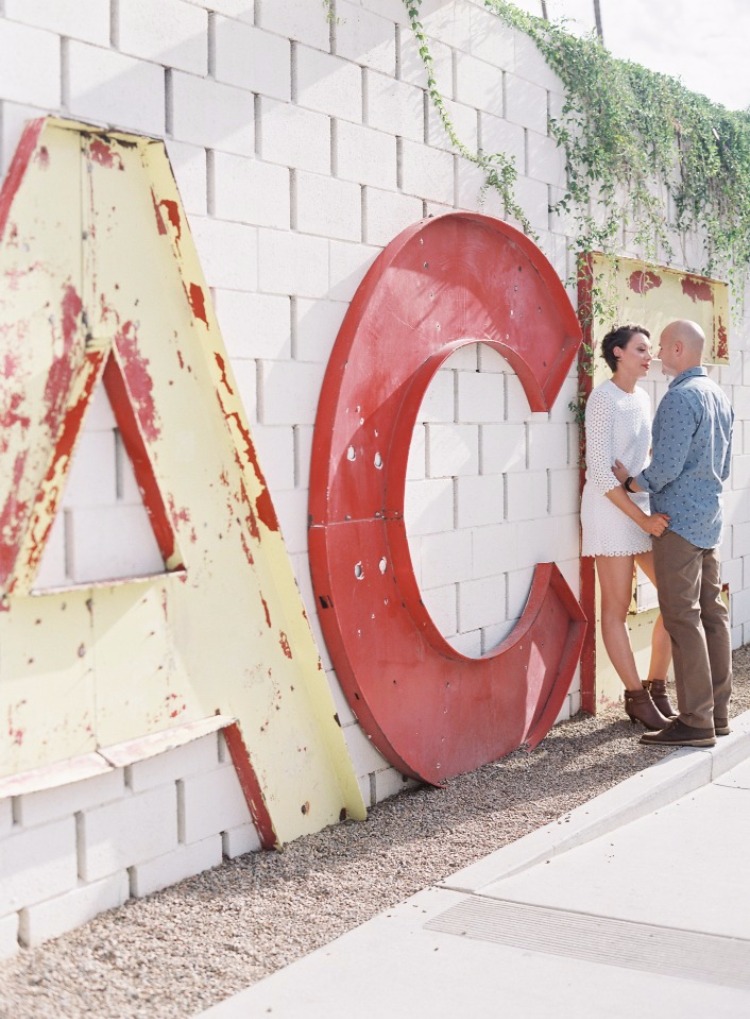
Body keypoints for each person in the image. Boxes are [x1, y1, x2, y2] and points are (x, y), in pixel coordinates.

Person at [613, 319, 734, 748]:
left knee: (683, 618)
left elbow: (663, 469)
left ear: (680, 348)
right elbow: (723, 467)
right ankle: (718, 714)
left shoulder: (680, 399)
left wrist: (630, 483)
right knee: (712, 616)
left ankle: (696, 721)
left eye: (663, 346)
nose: (659, 354)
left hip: (677, 524)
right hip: (709, 521)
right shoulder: (719, 395)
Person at [581, 324, 673, 730]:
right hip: (610, 510)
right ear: (618, 353)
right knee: (615, 610)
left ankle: (656, 686)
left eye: (649, 350)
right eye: (640, 349)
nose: (648, 356)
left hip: (635, 502)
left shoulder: (644, 397)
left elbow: (645, 455)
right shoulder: (603, 400)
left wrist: (637, 482)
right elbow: (600, 475)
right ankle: (635, 698)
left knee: (674, 600)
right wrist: (643, 519)